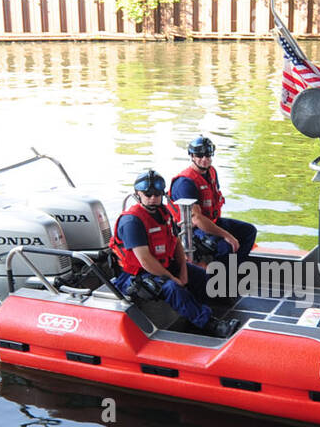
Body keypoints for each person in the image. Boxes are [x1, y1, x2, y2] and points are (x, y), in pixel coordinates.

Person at [109, 169, 238, 338]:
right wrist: (173, 278)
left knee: (203, 278)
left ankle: (199, 312)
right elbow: (145, 260)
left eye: (157, 194)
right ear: (137, 194)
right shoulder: (132, 221)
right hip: (135, 275)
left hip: (163, 265)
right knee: (172, 288)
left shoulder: (163, 213)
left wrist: (184, 270)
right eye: (148, 194)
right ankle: (210, 324)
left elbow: (176, 242)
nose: (153, 198)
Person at [169, 136, 257, 263]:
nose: (204, 159)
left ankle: (235, 270)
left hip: (212, 221)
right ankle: (219, 277)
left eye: (208, 155)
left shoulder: (211, 172)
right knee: (224, 247)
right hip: (193, 230)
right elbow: (197, 219)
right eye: (200, 156)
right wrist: (227, 236)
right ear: (192, 156)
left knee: (249, 231)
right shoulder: (185, 182)